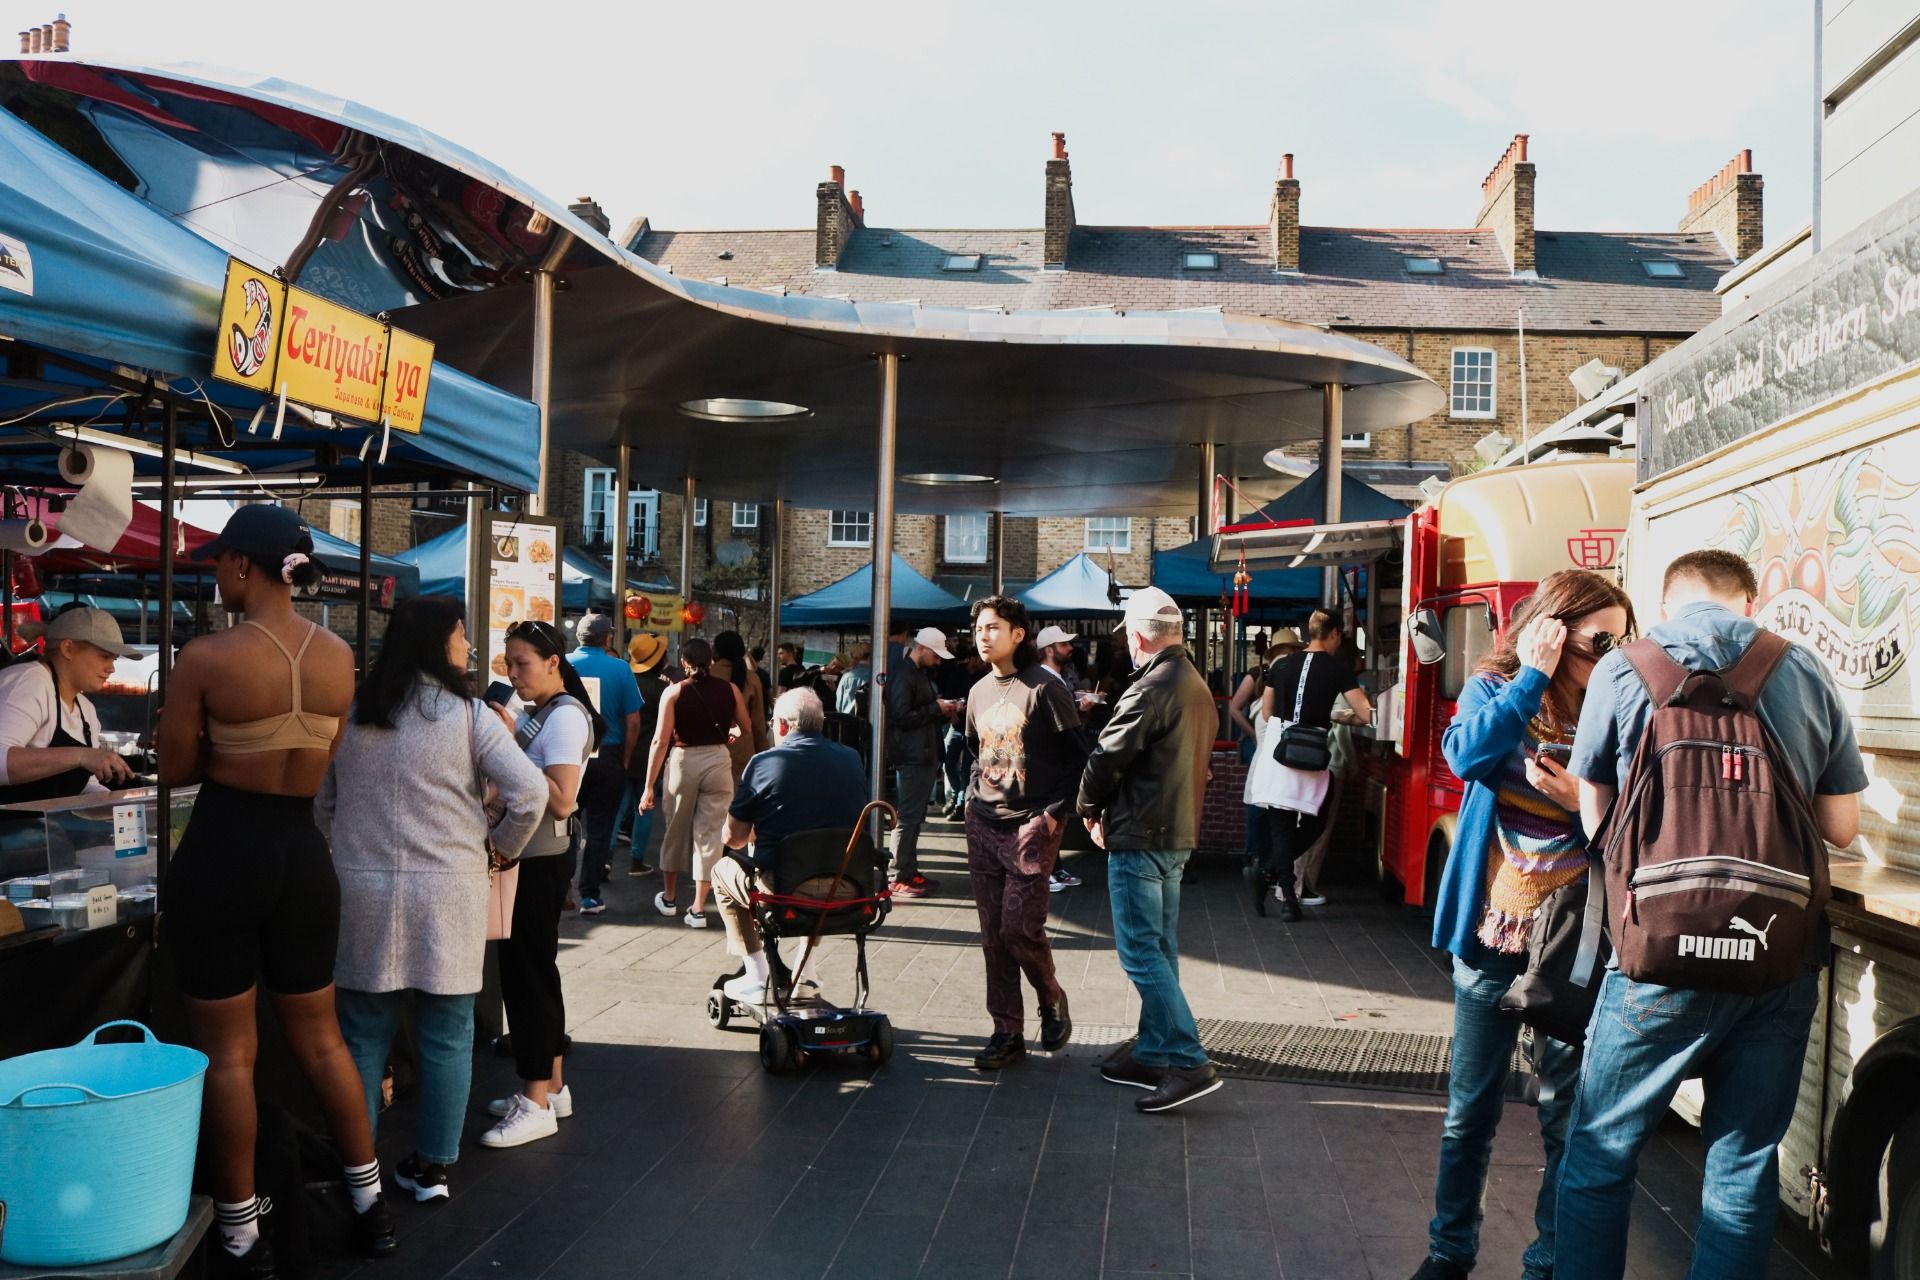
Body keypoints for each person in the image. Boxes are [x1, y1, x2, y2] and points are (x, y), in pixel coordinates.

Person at [1552, 551, 1866, 1280]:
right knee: (1743, 1167)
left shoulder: (1625, 667)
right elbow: (1842, 828)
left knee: (1600, 1156)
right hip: (1777, 957)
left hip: (1657, 956)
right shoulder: (1803, 666)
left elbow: (1595, 812)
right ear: (1750, 603)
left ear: (1666, 603)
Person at [153, 505, 394, 1270]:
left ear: (241, 565)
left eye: (219, 563)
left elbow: (173, 769)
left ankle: (241, 1234)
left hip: (225, 850)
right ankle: (371, 1206)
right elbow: (324, 755)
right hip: (302, 855)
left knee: (229, 1054)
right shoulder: (337, 655)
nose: (215, 576)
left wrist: (218, 745)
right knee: (322, 1039)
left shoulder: (206, 656)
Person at [1411, 570, 1632, 1280]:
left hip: (1575, 945)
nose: (1614, 655)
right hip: (1493, 935)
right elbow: (1466, 756)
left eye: (1624, 641)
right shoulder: (1495, 689)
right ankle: (1450, 1252)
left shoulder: (1619, 706)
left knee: (1566, 1118)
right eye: (1600, 641)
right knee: (1469, 1113)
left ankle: (1548, 1263)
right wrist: (1531, 679)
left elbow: (1640, 822)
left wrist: (1576, 802)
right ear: (1553, 632)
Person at [318, 596, 547, 1203]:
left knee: (362, 1034)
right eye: (461, 635)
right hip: (449, 892)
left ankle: (358, 1170)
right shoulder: (470, 716)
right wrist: (500, 848)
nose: (468, 646)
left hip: (363, 891)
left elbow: (323, 802)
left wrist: (346, 843)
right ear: (436, 643)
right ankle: (432, 1167)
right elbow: (530, 794)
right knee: (447, 1033)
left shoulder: (354, 711)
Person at [1076, 586, 1222, 1114]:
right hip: (1174, 832)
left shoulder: (1151, 688)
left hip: (1142, 832)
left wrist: (1087, 807)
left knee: (1142, 952)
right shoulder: (1195, 684)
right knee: (1159, 947)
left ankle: (1186, 1059)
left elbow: (1106, 757)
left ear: (1138, 637)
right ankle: (1155, 1050)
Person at [479, 619, 604, 1150]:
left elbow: (562, 800)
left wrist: (506, 747)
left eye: (522, 663)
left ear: (553, 662)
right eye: (508, 663)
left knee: (527, 976)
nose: (513, 673)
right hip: (533, 858)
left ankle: (534, 1102)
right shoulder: (543, 711)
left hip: (538, 859)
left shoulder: (565, 717)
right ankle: (551, 1088)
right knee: (536, 972)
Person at [962, 596, 1085, 1070]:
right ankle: (1006, 1032)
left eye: (993, 627)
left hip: (1032, 824)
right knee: (993, 936)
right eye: (979, 628)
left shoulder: (1045, 688)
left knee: (1018, 927)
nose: (984, 635)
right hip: (983, 822)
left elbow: (1079, 758)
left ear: (1018, 634)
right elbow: (974, 751)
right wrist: (972, 800)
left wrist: (1053, 815)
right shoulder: (977, 692)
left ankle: (1050, 995)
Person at [713, 688, 870, 1001]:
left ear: (783, 725)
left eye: (773, 724)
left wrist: (757, 831)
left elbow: (733, 837)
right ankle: (806, 974)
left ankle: (757, 975)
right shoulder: (851, 758)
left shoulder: (764, 763)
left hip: (784, 891)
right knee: (821, 870)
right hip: (848, 886)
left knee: (721, 873)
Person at [1255, 610, 1372, 921]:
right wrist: (1337, 716)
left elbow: (1267, 712)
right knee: (1315, 821)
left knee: (1281, 825)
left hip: (1279, 749)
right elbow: (1366, 713)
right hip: (1312, 751)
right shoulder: (1338, 669)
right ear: (1333, 634)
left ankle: (1283, 895)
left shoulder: (1281, 665)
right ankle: (1270, 876)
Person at [638, 637, 753, 926]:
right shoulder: (730, 689)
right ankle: (699, 908)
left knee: (675, 829)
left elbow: (660, 741)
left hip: (683, 760)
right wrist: (731, 735)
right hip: (718, 760)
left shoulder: (674, 692)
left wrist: (649, 786)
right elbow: (746, 726)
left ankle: (670, 897)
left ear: (683, 662)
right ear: (711, 660)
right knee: (710, 834)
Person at [0, 607, 137, 802]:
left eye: (113, 659)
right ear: (68, 649)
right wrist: (80, 756)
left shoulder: (86, 711)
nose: (111, 668)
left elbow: (85, 784)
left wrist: (118, 803)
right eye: (105, 656)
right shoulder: (29, 683)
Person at [567, 613, 643, 915]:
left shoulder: (563, 664)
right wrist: (625, 757)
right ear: (607, 638)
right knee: (600, 828)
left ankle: (562, 889)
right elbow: (633, 721)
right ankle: (589, 895)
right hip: (609, 754)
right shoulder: (620, 668)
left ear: (579, 637)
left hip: (570, 753)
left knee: (565, 825)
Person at [886, 625, 955, 898]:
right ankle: (899, 873)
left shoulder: (913, 674)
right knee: (909, 817)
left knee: (912, 817)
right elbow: (900, 716)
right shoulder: (906, 675)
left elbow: (905, 713)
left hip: (920, 753)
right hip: (915, 755)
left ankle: (906, 870)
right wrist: (935, 708)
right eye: (935, 655)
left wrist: (937, 709)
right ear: (922, 649)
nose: (938, 661)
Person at [1228, 633, 1298, 885]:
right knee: (1268, 816)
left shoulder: (1269, 677)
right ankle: (1262, 863)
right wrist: (1252, 735)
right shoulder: (1268, 676)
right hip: (1272, 758)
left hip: (1264, 757)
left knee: (1261, 812)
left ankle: (1258, 861)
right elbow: (1235, 708)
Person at [619, 632, 671, 877]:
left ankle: (606, 858)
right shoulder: (662, 688)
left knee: (618, 807)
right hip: (651, 756)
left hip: (623, 751)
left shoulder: (625, 681)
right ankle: (636, 860)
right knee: (645, 807)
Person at [712, 629, 772, 783]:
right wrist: (763, 753)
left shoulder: (706, 675)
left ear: (716, 651)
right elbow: (758, 722)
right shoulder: (752, 678)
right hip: (743, 750)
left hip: (710, 748)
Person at [835, 643, 873, 716]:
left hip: (848, 719)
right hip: (869, 719)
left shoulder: (846, 676)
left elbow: (839, 704)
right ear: (870, 656)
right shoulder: (876, 676)